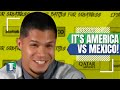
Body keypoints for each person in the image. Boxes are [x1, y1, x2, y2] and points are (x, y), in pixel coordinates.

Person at [0, 12, 85, 79]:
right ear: (20, 44)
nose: (42, 54)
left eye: (48, 45)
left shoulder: (71, 76)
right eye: (34, 45)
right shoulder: (5, 75)